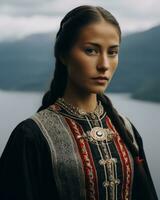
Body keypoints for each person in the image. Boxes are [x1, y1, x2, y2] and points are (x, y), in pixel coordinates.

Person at [0, 5, 158, 200]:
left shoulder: (126, 130)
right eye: (91, 50)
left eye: (113, 52)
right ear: (63, 54)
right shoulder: (31, 136)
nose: (104, 65)